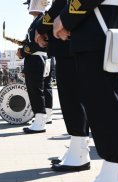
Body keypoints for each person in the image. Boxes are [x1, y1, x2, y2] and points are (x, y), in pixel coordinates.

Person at [53, 0, 118, 182]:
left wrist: (66, 19)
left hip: (99, 24)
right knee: (99, 106)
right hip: (96, 24)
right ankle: (108, 176)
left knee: (105, 107)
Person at [35, 0, 90, 172]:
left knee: (72, 98)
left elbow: (59, 6)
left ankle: (80, 151)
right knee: (71, 98)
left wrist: (41, 27)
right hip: (66, 43)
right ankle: (77, 147)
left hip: (68, 42)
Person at [19, 0, 49, 134]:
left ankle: (40, 120)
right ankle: (38, 118)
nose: (28, 7)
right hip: (34, 58)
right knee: (34, 89)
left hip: (36, 58)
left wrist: (22, 51)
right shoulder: (38, 19)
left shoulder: (42, 19)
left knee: (36, 89)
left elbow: (39, 43)